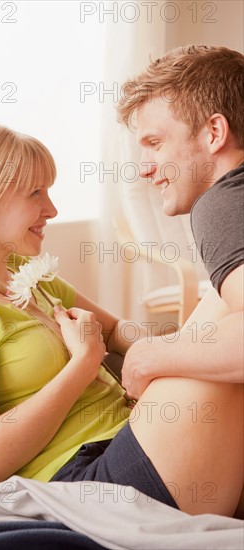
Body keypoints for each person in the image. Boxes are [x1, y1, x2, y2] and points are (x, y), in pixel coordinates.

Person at [0, 115, 242, 518]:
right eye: (35, 193)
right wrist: (83, 363)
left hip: (137, 433)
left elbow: (118, 330)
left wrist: (163, 344)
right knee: (225, 319)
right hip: (87, 480)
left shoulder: (29, 276)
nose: (51, 208)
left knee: (221, 304)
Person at [117, 44, 244, 517]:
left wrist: (153, 354)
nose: (144, 167)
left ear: (214, 132)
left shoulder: (223, 202)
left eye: (154, 143)